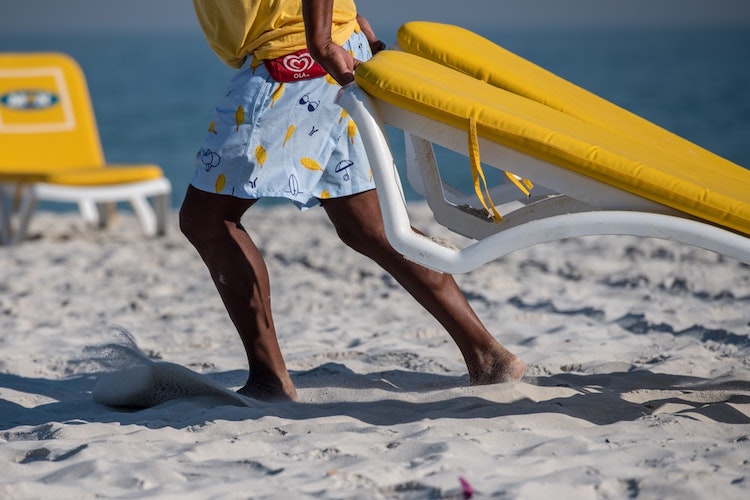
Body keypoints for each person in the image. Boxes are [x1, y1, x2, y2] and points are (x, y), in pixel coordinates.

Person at [180, 0, 525, 402]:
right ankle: (488, 357)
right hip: (325, 48)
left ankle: (268, 381)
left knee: (206, 219)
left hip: (296, 61)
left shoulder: (309, 47)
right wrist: (343, 24)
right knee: (369, 226)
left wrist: (321, 39)